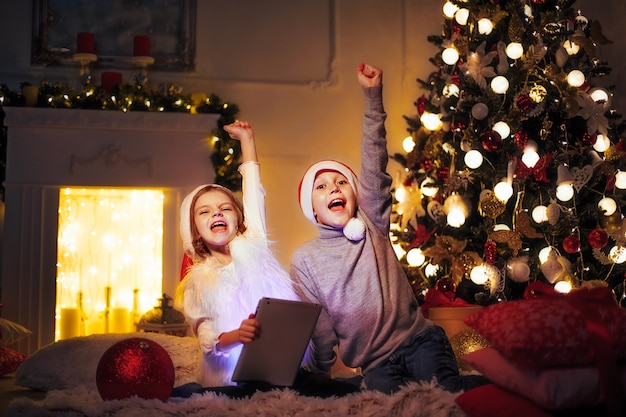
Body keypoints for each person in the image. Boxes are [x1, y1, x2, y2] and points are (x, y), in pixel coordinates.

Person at [290, 63, 489, 394]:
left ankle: (475, 392)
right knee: (388, 408)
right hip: (375, 362)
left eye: (341, 182)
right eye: (321, 187)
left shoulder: (371, 223)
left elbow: (373, 161)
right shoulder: (305, 260)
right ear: (312, 208)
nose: (334, 189)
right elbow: (320, 324)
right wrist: (320, 372)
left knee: (445, 399)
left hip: (419, 340)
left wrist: (372, 98)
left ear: (357, 196)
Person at [174, 121, 299, 388]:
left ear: (240, 220)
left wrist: (247, 140)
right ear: (194, 232)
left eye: (224, 209)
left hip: (271, 370)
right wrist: (237, 336)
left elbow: (255, 192)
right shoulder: (198, 282)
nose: (216, 213)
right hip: (225, 380)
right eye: (205, 212)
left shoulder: (255, 245)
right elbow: (208, 342)